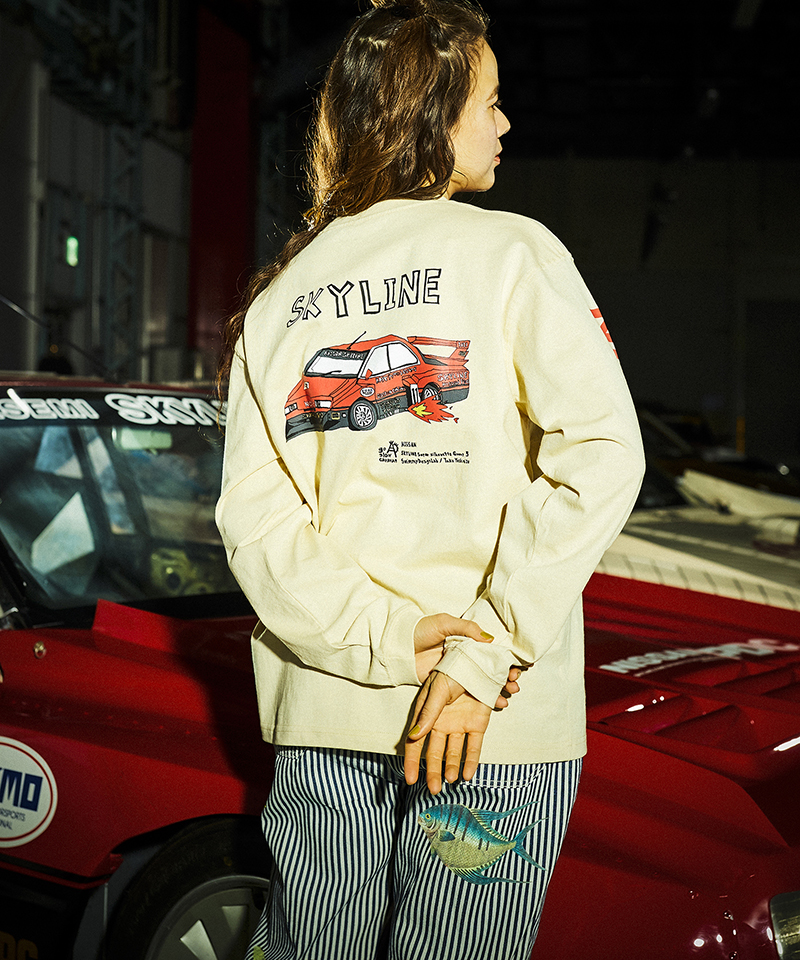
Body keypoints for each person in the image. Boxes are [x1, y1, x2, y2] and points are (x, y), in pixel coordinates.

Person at [215, 1, 645, 958]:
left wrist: (383, 635)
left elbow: (255, 523)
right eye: (489, 101)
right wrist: (480, 656)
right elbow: (604, 455)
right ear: (434, 114)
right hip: (487, 729)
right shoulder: (517, 254)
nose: (504, 122)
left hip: (327, 712)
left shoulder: (282, 293)